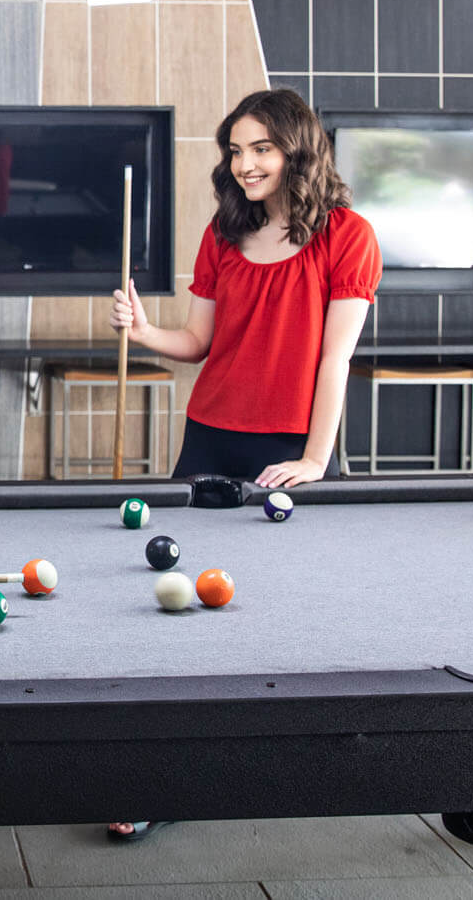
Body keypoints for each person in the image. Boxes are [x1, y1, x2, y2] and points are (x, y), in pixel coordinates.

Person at [102, 87, 380, 843]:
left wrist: (316, 458)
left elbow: (335, 358)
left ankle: (280, 766)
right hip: (210, 438)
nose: (246, 162)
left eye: (261, 147)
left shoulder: (347, 236)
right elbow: (198, 344)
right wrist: (145, 327)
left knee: (289, 615)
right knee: (176, 607)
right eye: (235, 149)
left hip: (292, 449)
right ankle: (158, 777)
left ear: (297, 148)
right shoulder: (222, 234)